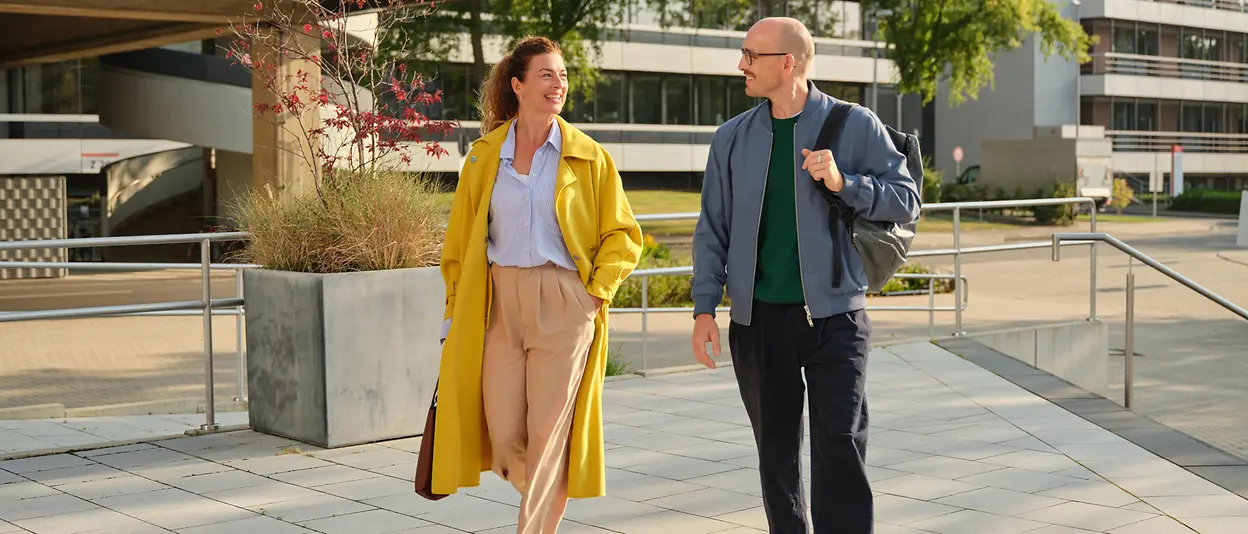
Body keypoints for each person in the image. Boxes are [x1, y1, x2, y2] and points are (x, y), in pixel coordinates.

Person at [689, 17, 920, 534]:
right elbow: (712, 230)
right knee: (776, 456)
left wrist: (844, 181)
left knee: (839, 446)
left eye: (752, 55)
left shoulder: (854, 123)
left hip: (836, 319)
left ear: (787, 63)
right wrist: (704, 307)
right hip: (758, 323)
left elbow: (907, 200)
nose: (741, 64)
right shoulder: (731, 139)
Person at [431, 36, 643, 534]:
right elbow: (460, 246)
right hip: (497, 306)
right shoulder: (484, 157)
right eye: (546, 75)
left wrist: (592, 296)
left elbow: (624, 235)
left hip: (563, 303)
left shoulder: (588, 156)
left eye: (563, 76)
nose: (559, 84)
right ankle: (551, 494)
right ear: (518, 85)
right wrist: (453, 312)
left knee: (549, 437)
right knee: (504, 436)